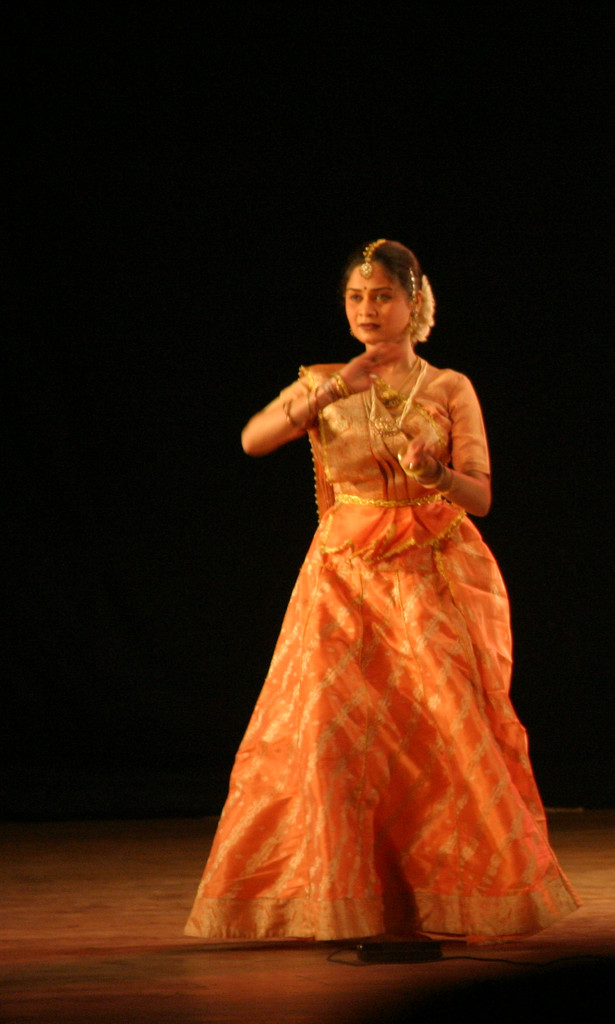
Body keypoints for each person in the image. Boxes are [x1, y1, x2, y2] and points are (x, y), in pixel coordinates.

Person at [185, 239, 578, 942]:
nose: (367, 309)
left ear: (413, 302)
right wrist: (329, 393)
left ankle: (448, 896)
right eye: (356, 297)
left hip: (431, 569)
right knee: (331, 735)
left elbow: (481, 497)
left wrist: (435, 476)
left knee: (443, 731)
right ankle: (343, 899)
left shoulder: (449, 387)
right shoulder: (322, 381)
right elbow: (253, 439)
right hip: (343, 576)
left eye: (383, 296)